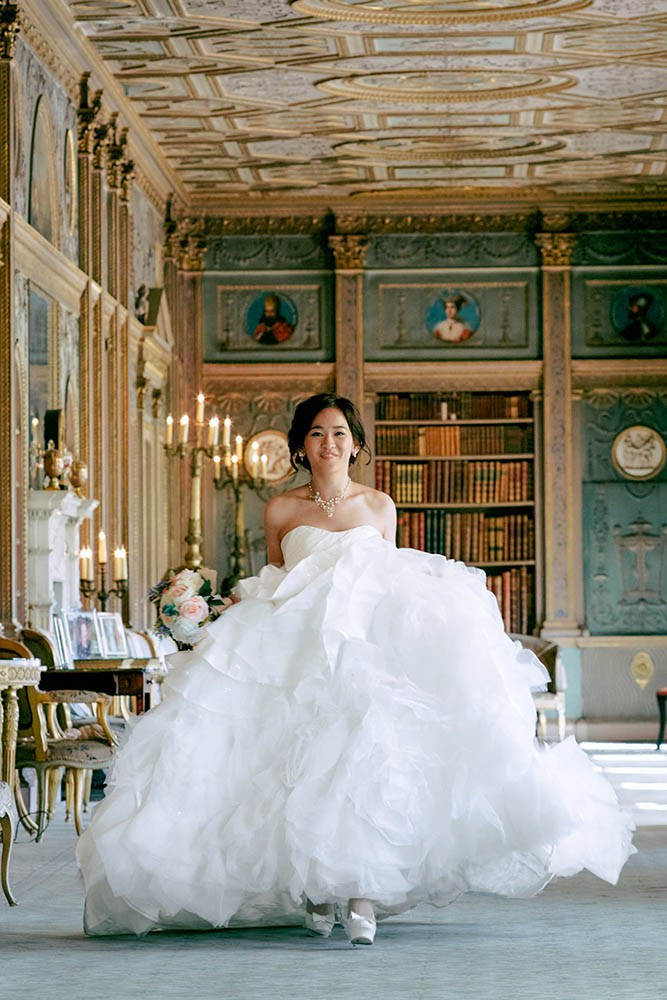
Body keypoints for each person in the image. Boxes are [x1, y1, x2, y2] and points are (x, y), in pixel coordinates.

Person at [77, 393, 635, 943]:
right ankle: (315, 889)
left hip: (362, 645)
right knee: (294, 759)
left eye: (339, 433)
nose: (329, 442)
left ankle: (360, 892)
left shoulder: (378, 506)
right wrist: (213, 607)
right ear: (300, 446)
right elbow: (276, 580)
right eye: (317, 433)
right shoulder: (280, 509)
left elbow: (383, 578)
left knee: (361, 760)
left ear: (356, 444)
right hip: (294, 644)